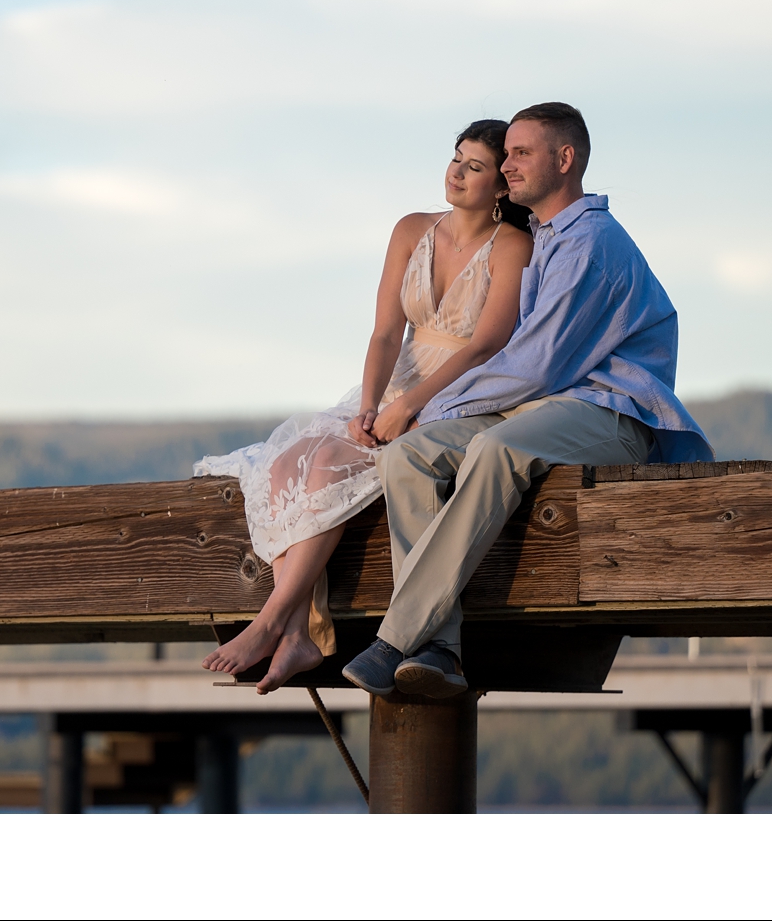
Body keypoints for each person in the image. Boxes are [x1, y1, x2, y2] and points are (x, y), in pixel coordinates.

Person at [340, 102, 714, 700]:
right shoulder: (541, 239)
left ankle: (397, 639)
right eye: (506, 154)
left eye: (521, 153)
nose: (508, 166)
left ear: (565, 160)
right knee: (408, 457)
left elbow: (535, 364)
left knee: (494, 448)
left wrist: (417, 405)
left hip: (610, 411)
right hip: (545, 408)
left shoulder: (591, 243)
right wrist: (412, 422)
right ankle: (442, 650)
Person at [194, 121, 535, 691]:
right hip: (394, 382)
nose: (456, 172)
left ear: (501, 185)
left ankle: (273, 619)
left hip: (457, 391)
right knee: (286, 465)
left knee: (327, 469)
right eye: (455, 159)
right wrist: (371, 405)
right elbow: (383, 333)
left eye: (474, 167)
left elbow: (486, 344)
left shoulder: (514, 247)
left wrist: (412, 408)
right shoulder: (411, 229)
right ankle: (300, 634)